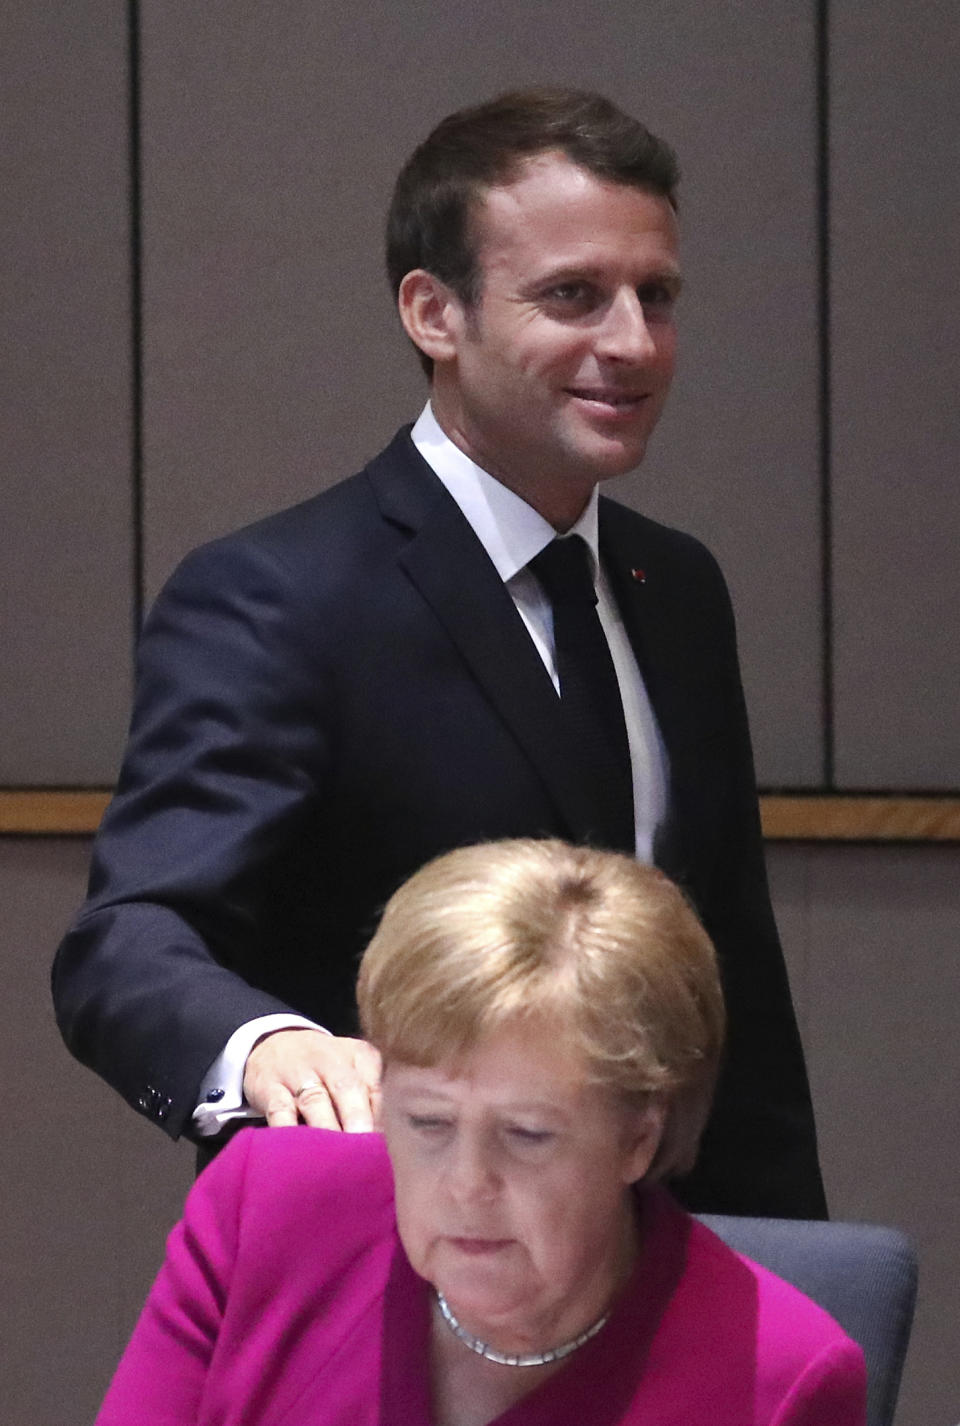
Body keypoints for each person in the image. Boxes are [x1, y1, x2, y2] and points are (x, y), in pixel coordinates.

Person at [53, 86, 825, 1216]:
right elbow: (128, 941)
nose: (632, 341)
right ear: (434, 314)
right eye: (573, 295)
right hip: (400, 1269)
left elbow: (731, 992)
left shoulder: (679, 589)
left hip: (663, 1284)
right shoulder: (281, 595)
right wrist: (265, 1048)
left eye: (656, 295)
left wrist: (789, 1300)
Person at [94, 841, 864, 1426]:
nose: (466, 1183)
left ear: (639, 1136)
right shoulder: (263, 1211)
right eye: (427, 1121)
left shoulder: (780, 1380)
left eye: (527, 1134)